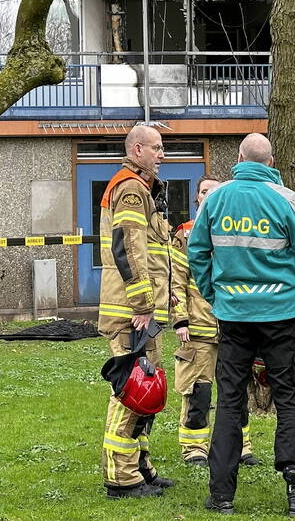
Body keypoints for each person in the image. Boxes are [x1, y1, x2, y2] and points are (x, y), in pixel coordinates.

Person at [187, 133, 295, 517]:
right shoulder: (285, 199)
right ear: (270, 160)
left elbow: (196, 253)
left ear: (240, 158)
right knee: (288, 402)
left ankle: (221, 495)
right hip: (280, 315)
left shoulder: (215, 198)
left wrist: (215, 295)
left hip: (233, 316)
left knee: (230, 403)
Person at [97, 124, 175, 499]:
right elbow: (127, 248)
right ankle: (121, 478)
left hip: (146, 312)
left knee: (150, 393)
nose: (163, 155)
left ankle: (141, 467)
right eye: (158, 148)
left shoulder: (144, 189)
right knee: (133, 391)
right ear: (138, 149)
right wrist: (144, 303)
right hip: (133, 313)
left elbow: (157, 255)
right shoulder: (130, 188)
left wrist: (167, 297)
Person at [170, 174, 259, 468]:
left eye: (215, 191)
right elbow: (176, 281)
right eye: (204, 191)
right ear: (197, 197)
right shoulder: (185, 234)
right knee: (198, 391)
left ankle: (242, 446)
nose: (209, 195)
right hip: (197, 328)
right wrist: (180, 319)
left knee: (237, 391)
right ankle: (195, 448)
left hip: (234, 327)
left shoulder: (232, 231)